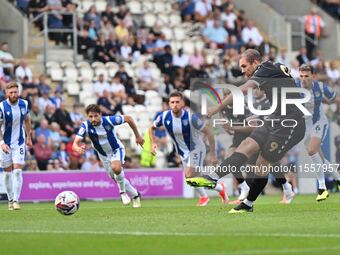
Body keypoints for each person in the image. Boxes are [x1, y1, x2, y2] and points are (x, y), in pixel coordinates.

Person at [186, 49, 306, 213]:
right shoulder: (272, 68)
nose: (242, 70)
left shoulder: (265, 69)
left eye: (244, 66)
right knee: (246, 145)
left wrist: (215, 109)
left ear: (255, 62)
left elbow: (242, 89)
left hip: (290, 124)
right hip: (274, 119)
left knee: (262, 164)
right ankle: (212, 178)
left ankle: (249, 203)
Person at [149, 91, 228, 206]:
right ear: (169, 104)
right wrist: (153, 143)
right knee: (192, 180)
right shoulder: (164, 116)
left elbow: (209, 132)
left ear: (183, 103)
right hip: (182, 151)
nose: (175, 104)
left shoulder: (191, 117)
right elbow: (151, 128)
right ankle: (208, 195)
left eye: (177, 102)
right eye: (172, 102)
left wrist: (212, 154)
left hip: (195, 149)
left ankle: (217, 189)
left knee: (189, 176)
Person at [72, 104, 144, 208]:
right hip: (103, 155)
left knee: (116, 168)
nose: (93, 119)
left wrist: (137, 136)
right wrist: (77, 148)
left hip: (116, 149)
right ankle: (135, 195)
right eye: (91, 116)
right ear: (87, 116)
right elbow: (75, 142)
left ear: (100, 114)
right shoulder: (85, 126)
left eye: (96, 116)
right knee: (116, 178)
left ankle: (122, 193)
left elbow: (129, 118)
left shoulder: (109, 120)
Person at [297, 64, 340, 201]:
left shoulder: (320, 87)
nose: (303, 79)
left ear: (313, 76)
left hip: (319, 122)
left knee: (311, 150)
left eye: (306, 76)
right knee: (320, 158)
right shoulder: (295, 88)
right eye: (301, 76)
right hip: (305, 127)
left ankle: (322, 188)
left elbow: (336, 98)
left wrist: (336, 113)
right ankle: (338, 179)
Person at [0, 81, 32, 210]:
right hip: (5, 144)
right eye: (11, 92)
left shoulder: (24, 103)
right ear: (6, 93)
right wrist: (2, 143)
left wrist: (28, 137)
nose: (14, 94)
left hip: (19, 142)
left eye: (16, 92)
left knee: (18, 171)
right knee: (8, 174)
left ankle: (16, 201)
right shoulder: (1, 107)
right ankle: (10, 199)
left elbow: (28, 120)